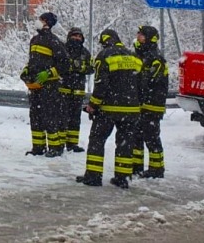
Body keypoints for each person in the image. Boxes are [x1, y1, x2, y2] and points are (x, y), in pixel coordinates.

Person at [75, 29, 142, 188]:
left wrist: (93, 104)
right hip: (131, 109)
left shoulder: (104, 56)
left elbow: (101, 84)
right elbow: (142, 85)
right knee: (125, 143)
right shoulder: (135, 57)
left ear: (105, 41)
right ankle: (122, 177)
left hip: (109, 109)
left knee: (97, 140)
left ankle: (93, 176)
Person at [20, 11, 69, 157]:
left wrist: (48, 74)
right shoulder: (34, 40)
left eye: (40, 19)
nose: (38, 21)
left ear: (47, 23)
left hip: (50, 87)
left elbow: (65, 64)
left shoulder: (55, 42)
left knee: (50, 117)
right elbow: (33, 61)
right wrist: (26, 71)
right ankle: (38, 147)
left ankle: (55, 148)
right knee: (35, 117)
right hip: (35, 86)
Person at [132, 24, 168, 178]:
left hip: (152, 105)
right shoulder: (141, 55)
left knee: (151, 138)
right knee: (137, 136)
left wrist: (134, 79)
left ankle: (157, 169)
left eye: (141, 34)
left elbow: (148, 81)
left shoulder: (156, 59)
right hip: (141, 105)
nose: (138, 36)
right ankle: (136, 166)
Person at [61, 27, 93, 152]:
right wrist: (70, 67)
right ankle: (60, 143)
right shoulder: (63, 50)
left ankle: (72, 144)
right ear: (69, 36)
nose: (77, 38)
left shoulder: (85, 52)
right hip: (63, 89)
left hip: (78, 90)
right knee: (62, 117)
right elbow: (58, 65)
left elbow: (91, 68)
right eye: (74, 36)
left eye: (79, 36)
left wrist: (81, 67)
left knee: (75, 118)